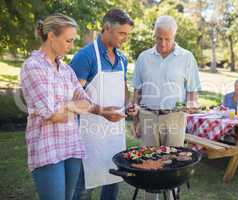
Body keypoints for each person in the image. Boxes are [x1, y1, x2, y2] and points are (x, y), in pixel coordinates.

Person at [20, 14, 125, 200]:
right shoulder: (33, 67)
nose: (71, 45)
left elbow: (84, 102)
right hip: (47, 147)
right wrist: (72, 105)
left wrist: (72, 107)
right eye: (68, 40)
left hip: (72, 145)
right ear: (52, 36)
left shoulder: (66, 70)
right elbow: (54, 115)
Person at [70, 9, 138, 200]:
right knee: (84, 188)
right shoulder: (85, 57)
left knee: (113, 181)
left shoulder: (122, 59)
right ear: (107, 28)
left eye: (127, 34)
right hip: (87, 135)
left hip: (114, 134)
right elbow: (74, 100)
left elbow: (123, 90)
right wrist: (102, 112)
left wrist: (129, 104)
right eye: (122, 33)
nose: (125, 38)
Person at [132, 15, 201, 199]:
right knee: (149, 164)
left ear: (174, 36)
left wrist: (192, 103)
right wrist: (136, 118)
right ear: (154, 35)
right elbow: (137, 90)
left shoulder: (187, 57)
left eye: (167, 39)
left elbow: (192, 90)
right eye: (158, 38)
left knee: (172, 166)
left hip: (175, 117)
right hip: (148, 116)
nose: (162, 43)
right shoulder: (144, 57)